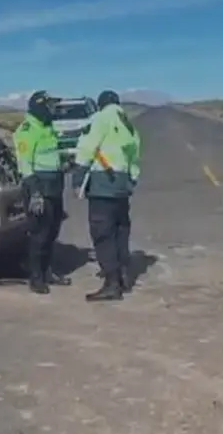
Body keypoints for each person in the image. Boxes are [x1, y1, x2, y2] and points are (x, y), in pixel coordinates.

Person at [71, 90, 141, 301]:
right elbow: (134, 156)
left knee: (103, 233)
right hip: (122, 184)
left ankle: (112, 284)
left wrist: (77, 179)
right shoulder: (128, 123)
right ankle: (123, 277)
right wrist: (131, 180)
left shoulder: (100, 118)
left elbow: (86, 148)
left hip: (103, 182)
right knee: (121, 231)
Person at [13, 91, 71, 294]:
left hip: (54, 185)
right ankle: (36, 277)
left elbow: (51, 154)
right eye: (48, 106)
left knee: (52, 232)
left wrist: (63, 164)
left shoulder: (48, 126)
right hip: (39, 186)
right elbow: (25, 164)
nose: (52, 110)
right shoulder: (27, 130)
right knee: (40, 234)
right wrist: (35, 192)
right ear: (39, 107)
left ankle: (48, 271)